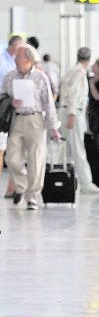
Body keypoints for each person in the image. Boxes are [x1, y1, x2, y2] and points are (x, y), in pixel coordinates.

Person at [1, 44, 61, 209]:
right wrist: (10, 102)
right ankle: (21, 186)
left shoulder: (41, 77)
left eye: (18, 56)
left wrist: (53, 127)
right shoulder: (9, 77)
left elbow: (48, 103)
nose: (15, 58)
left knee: (36, 159)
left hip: (35, 120)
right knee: (11, 158)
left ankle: (32, 196)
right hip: (16, 119)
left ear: (28, 58)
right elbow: (3, 98)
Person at [59, 46, 99, 194]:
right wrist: (71, 114)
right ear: (89, 59)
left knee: (70, 149)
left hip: (69, 112)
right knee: (78, 148)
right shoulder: (79, 72)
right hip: (73, 113)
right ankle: (86, 182)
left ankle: (70, 179)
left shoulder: (71, 70)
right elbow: (73, 94)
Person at [0, 35, 24, 198]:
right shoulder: (3, 62)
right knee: (2, 149)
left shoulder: (20, 64)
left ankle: (12, 187)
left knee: (15, 149)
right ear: (15, 47)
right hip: (4, 109)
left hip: (17, 110)